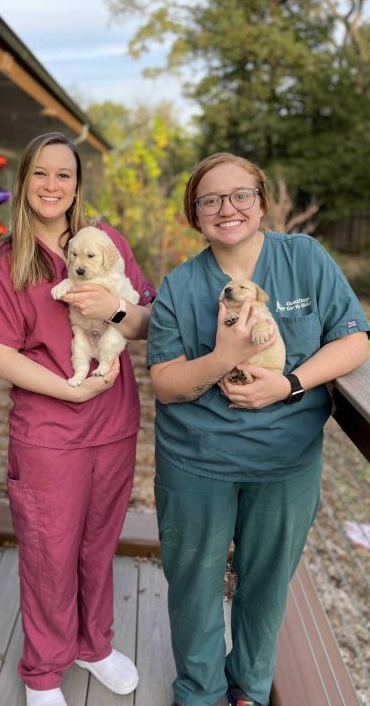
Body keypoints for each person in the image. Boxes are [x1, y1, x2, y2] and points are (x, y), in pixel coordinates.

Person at [147, 152, 369, 706]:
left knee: (266, 585)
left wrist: (289, 383)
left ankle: (248, 687)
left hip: (285, 462)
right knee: (195, 586)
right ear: (195, 215)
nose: (228, 209)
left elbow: (355, 340)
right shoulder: (180, 285)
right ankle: (198, 692)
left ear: (262, 202)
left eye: (241, 195)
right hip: (198, 460)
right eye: (210, 200)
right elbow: (167, 384)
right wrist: (224, 357)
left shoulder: (306, 260)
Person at [0, 132, 155, 706]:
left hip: (114, 424)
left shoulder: (106, 241)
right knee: (50, 550)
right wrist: (68, 392)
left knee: (99, 544)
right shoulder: (7, 260)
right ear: (24, 181)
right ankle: (44, 669)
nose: (53, 186)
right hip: (50, 430)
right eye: (41, 174)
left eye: (65, 175)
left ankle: (93, 645)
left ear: (78, 185)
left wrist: (117, 309)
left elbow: (145, 320)